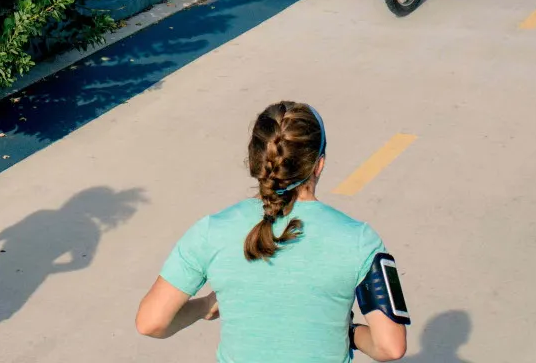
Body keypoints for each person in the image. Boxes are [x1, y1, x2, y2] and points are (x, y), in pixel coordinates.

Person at [136, 101, 409, 362]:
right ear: (319, 163)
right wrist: (349, 332)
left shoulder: (211, 231)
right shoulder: (360, 239)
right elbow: (390, 347)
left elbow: (151, 323)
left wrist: (204, 306)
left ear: (256, 162)